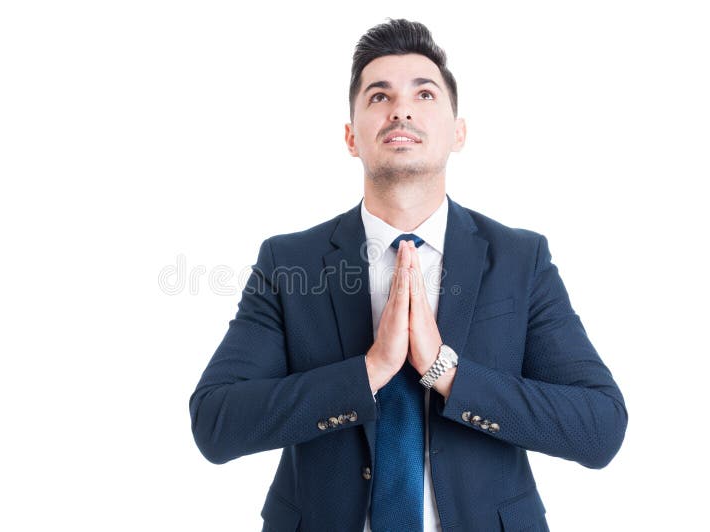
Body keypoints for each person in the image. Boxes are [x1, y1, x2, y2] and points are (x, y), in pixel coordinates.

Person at [189, 18, 627, 532]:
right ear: (351, 137)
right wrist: (369, 372)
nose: (401, 109)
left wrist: (446, 372)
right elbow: (216, 422)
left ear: (458, 132)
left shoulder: (519, 258)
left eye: (424, 94)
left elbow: (600, 428)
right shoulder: (289, 263)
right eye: (379, 96)